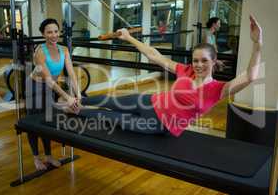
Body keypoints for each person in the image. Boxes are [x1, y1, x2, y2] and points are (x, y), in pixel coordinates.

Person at [69, 15, 262, 138]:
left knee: (110, 117)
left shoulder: (218, 89)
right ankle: (78, 100)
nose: (199, 65)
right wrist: (128, 37)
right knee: (110, 100)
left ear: (213, 61)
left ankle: (76, 110)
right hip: (147, 101)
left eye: (204, 61)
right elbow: (155, 55)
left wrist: (257, 45)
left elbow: (250, 76)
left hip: (156, 124)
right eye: (195, 60)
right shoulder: (186, 70)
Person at [26, 18, 81, 170]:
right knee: (34, 123)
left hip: (50, 87)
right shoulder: (39, 52)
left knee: (48, 121)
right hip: (35, 87)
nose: (53, 35)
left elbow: (71, 73)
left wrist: (78, 94)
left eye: (56, 31)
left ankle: (49, 156)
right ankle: (37, 158)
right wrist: (68, 97)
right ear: (43, 34)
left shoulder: (64, 50)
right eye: (49, 32)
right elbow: (49, 80)